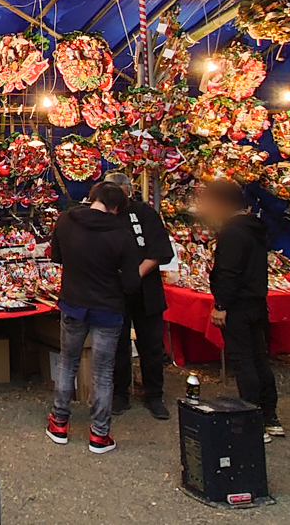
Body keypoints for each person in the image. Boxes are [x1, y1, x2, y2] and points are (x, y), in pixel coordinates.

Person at [45, 181, 140, 455]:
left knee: (67, 363)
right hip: (108, 308)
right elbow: (132, 282)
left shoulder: (66, 221)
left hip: (73, 303)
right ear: (115, 207)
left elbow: (56, 257)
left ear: (92, 197)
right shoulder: (121, 234)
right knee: (102, 372)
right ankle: (99, 434)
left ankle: (59, 423)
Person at [200, 178, 283, 440]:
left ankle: (253, 417)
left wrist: (221, 304)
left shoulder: (233, 232)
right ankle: (270, 416)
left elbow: (228, 272)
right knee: (259, 359)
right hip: (257, 301)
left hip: (238, 305)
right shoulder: (255, 227)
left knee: (245, 361)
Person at [102, 171, 175, 420]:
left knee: (151, 344)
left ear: (127, 191)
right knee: (117, 344)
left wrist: (135, 274)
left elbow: (159, 251)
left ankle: (154, 394)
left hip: (146, 289)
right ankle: (120, 393)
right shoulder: (103, 215)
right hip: (114, 291)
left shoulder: (144, 213)